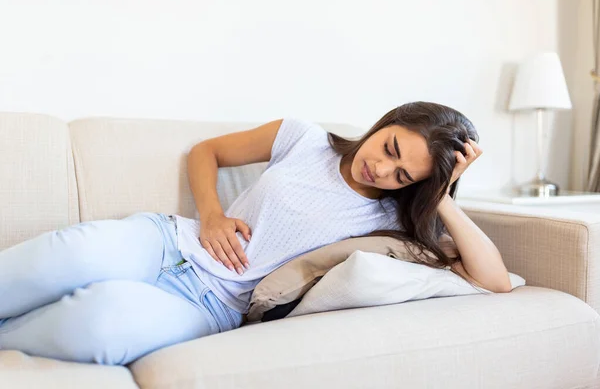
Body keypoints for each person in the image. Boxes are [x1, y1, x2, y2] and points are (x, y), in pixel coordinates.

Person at [0, 101, 510, 366]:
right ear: (387, 121)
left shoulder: (391, 222)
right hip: (167, 241)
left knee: (98, 326)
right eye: (391, 148)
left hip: (213, 305)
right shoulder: (304, 138)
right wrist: (214, 214)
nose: (382, 168)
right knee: (62, 259)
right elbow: (207, 151)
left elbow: (495, 281)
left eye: (404, 175)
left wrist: (441, 191)